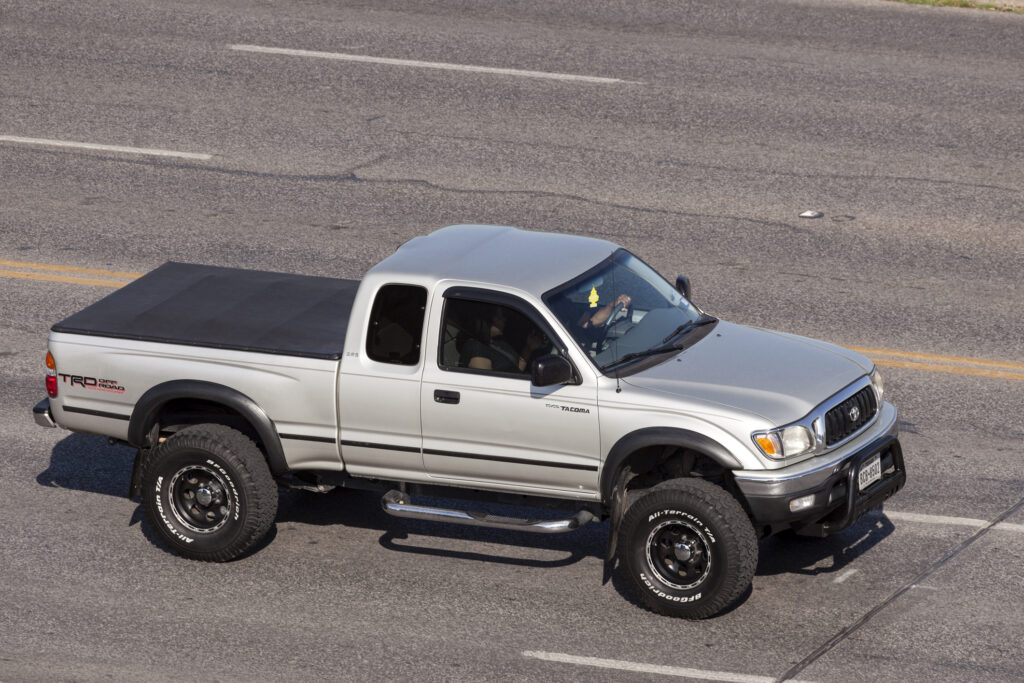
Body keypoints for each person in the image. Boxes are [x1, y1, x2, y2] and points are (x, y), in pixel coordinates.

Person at [464, 306, 546, 374]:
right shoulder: (477, 348)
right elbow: (486, 384)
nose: (504, 320)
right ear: (487, 321)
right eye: (499, 317)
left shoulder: (499, 343)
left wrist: (529, 348)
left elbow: (517, 369)